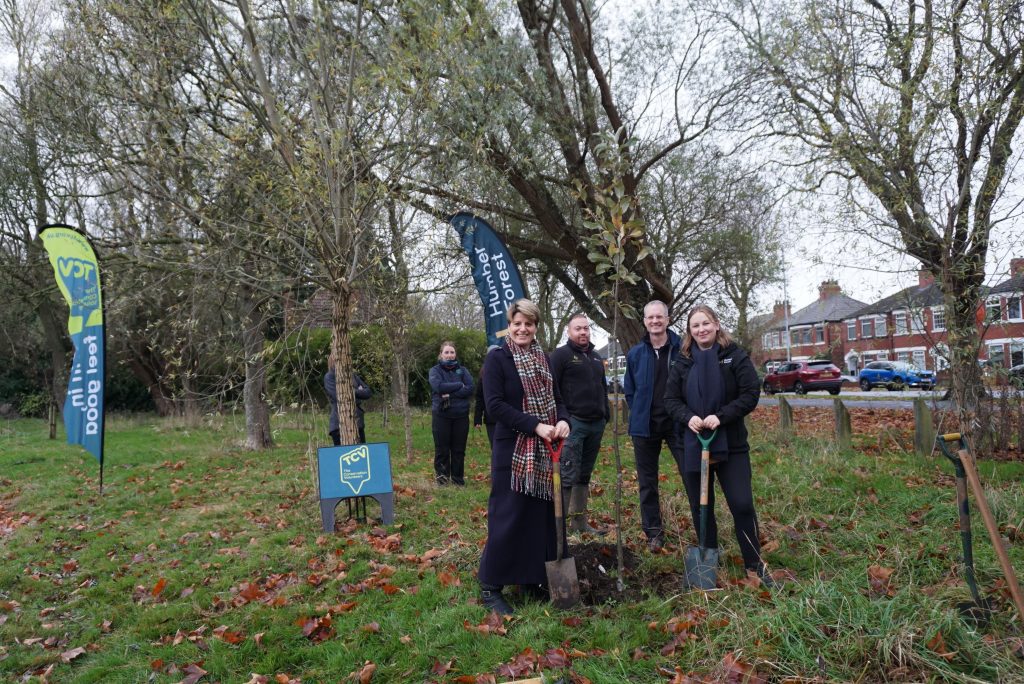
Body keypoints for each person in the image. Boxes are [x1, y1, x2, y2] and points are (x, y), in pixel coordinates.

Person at [664, 304, 769, 583]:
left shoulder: (734, 356)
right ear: (689, 331)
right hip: (694, 444)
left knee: (742, 504)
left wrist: (720, 417)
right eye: (695, 326)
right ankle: (708, 565)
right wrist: (688, 418)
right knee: (702, 507)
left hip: (731, 444)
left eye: (706, 323)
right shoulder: (683, 361)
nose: (701, 330)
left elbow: (750, 393)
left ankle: (753, 564)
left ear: (717, 324)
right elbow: (670, 400)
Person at [478, 299, 571, 615]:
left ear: (536, 327)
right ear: (510, 324)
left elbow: (558, 400)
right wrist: (536, 426)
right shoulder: (498, 360)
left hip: (545, 450)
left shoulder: (543, 359)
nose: (522, 329)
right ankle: (491, 586)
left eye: (528, 324)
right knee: (509, 518)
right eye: (517, 323)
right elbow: (495, 406)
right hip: (513, 451)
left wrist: (562, 420)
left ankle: (530, 580)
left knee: (538, 519)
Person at [623, 300, 685, 552]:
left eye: (660, 317)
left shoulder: (683, 349)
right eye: (650, 318)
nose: (655, 321)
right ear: (645, 321)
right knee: (647, 484)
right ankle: (654, 533)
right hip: (645, 427)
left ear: (668, 319)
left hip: (678, 424)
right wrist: (639, 411)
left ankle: (704, 531)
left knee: (691, 475)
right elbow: (630, 391)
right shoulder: (636, 354)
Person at [549, 313, 609, 534]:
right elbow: (552, 389)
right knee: (567, 475)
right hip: (573, 424)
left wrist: (606, 413)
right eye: (578, 329)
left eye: (586, 328)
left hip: (596, 424)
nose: (583, 332)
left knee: (584, 474)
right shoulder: (561, 356)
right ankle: (558, 529)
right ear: (569, 331)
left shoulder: (594, 357)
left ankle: (579, 524)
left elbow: (602, 386)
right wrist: (560, 419)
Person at [429, 341, 475, 486]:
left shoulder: (463, 370)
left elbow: (470, 388)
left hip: (461, 416)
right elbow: (438, 386)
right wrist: (459, 385)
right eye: (446, 352)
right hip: (441, 416)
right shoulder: (435, 371)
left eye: (452, 352)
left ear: (455, 354)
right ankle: (442, 480)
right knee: (442, 449)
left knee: (458, 450)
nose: (449, 355)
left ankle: (457, 480)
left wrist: (449, 394)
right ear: (441, 354)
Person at [325, 353, 372, 445]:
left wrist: (349, 391)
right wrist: (357, 390)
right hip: (339, 425)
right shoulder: (330, 376)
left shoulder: (352, 375)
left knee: (361, 455)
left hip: (358, 423)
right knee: (343, 457)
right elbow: (339, 396)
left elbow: (368, 392)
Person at [473, 344, 501, 446]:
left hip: (507, 418)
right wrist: (477, 419)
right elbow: (480, 398)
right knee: (495, 447)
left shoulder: (508, 371)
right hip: (491, 418)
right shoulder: (483, 375)